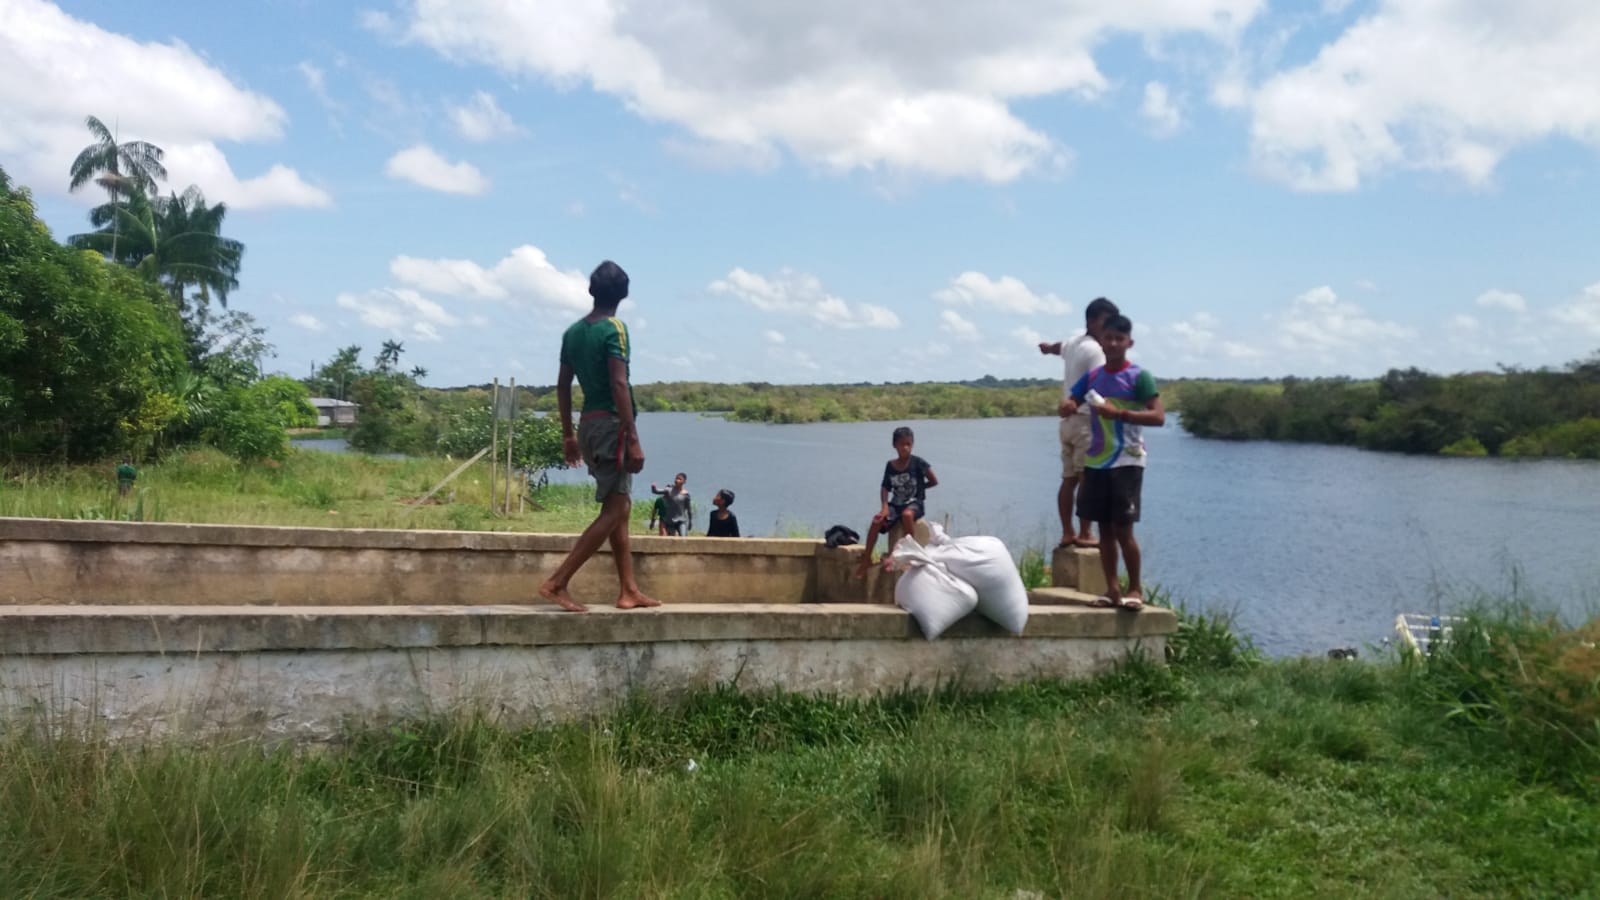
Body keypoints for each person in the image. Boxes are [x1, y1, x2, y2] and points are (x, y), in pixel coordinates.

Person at [536, 260, 659, 613]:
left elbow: (562, 385)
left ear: (591, 291)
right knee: (616, 507)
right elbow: (619, 382)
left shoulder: (572, 333)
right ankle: (557, 582)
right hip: (612, 428)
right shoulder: (614, 329)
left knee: (618, 506)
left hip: (588, 426)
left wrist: (568, 434)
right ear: (624, 294)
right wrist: (632, 436)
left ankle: (628, 590)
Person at [1059, 314, 1165, 609]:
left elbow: (1158, 416)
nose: (1114, 344)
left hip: (1127, 462)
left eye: (1120, 339)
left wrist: (1119, 414)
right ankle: (1112, 591)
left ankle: (1135, 590)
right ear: (1101, 341)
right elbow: (1072, 400)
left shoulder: (1139, 377)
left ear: (1129, 342)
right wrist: (1067, 406)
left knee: (1123, 529)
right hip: (1096, 461)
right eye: (1109, 338)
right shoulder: (1094, 377)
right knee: (1104, 530)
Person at [1040, 296, 1119, 549]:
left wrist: (1046, 347)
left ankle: (1067, 533)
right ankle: (1085, 533)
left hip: (1067, 423)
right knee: (1088, 479)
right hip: (1086, 420)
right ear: (1093, 321)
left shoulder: (1075, 343)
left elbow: (1058, 347)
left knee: (1069, 479)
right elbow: (1098, 384)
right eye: (1108, 323)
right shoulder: (1095, 350)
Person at [853, 426, 938, 577]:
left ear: (912, 444)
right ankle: (866, 559)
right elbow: (885, 487)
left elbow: (933, 480)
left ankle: (909, 551)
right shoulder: (890, 465)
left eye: (908, 444)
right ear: (895, 445)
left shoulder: (918, 463)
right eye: (902, 444)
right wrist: (884, 507)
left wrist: (921, 488)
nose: (905, 448)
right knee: (877, 521)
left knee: (907, 515)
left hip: (914, 503)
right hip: (896, 504)